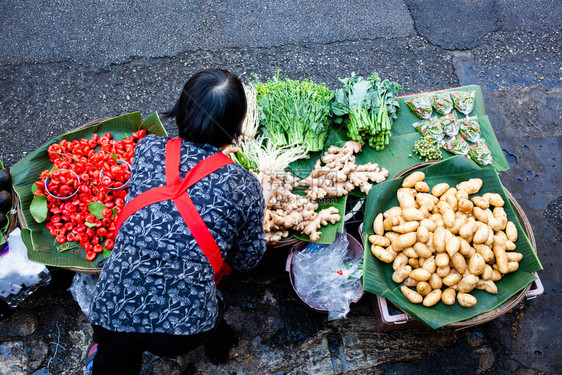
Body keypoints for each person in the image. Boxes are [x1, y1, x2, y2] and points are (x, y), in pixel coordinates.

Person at [86, 69, 266, 374]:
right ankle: (219, 345)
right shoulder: (244, 184)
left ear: (181, 111)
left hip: (110, 314)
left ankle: (104, 358)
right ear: (237, 127)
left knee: (115, 358)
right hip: (184, 331)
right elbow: (247, 259)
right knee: (214, 299)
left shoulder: (147, 150)